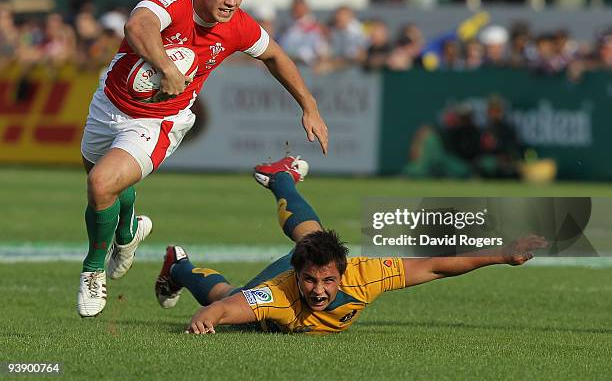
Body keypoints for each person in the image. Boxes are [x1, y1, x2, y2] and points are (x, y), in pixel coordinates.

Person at [77, 0, 329, 318]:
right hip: (109, 103)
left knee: (100, 184)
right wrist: (164, 65)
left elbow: (275, 55)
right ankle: (127, 230)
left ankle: (92, 271)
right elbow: (138, 26)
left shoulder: (238, 25)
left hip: (159, 120)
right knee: (107, 188)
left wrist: (309, 105)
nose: (232, 1)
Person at [154, 155, 547, 335]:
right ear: (298, 274)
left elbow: (434, 265)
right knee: (234, 297)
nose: (320, 291)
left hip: (316, 262)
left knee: (313, 240)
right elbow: (224, 308)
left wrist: (500, 255)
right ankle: (180, 267)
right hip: (275, 291)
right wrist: (206, 317)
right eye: (311, 281)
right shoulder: (281, 293)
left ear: (343, 272)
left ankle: (180, 264)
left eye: (327, 280)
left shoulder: (365, 274)